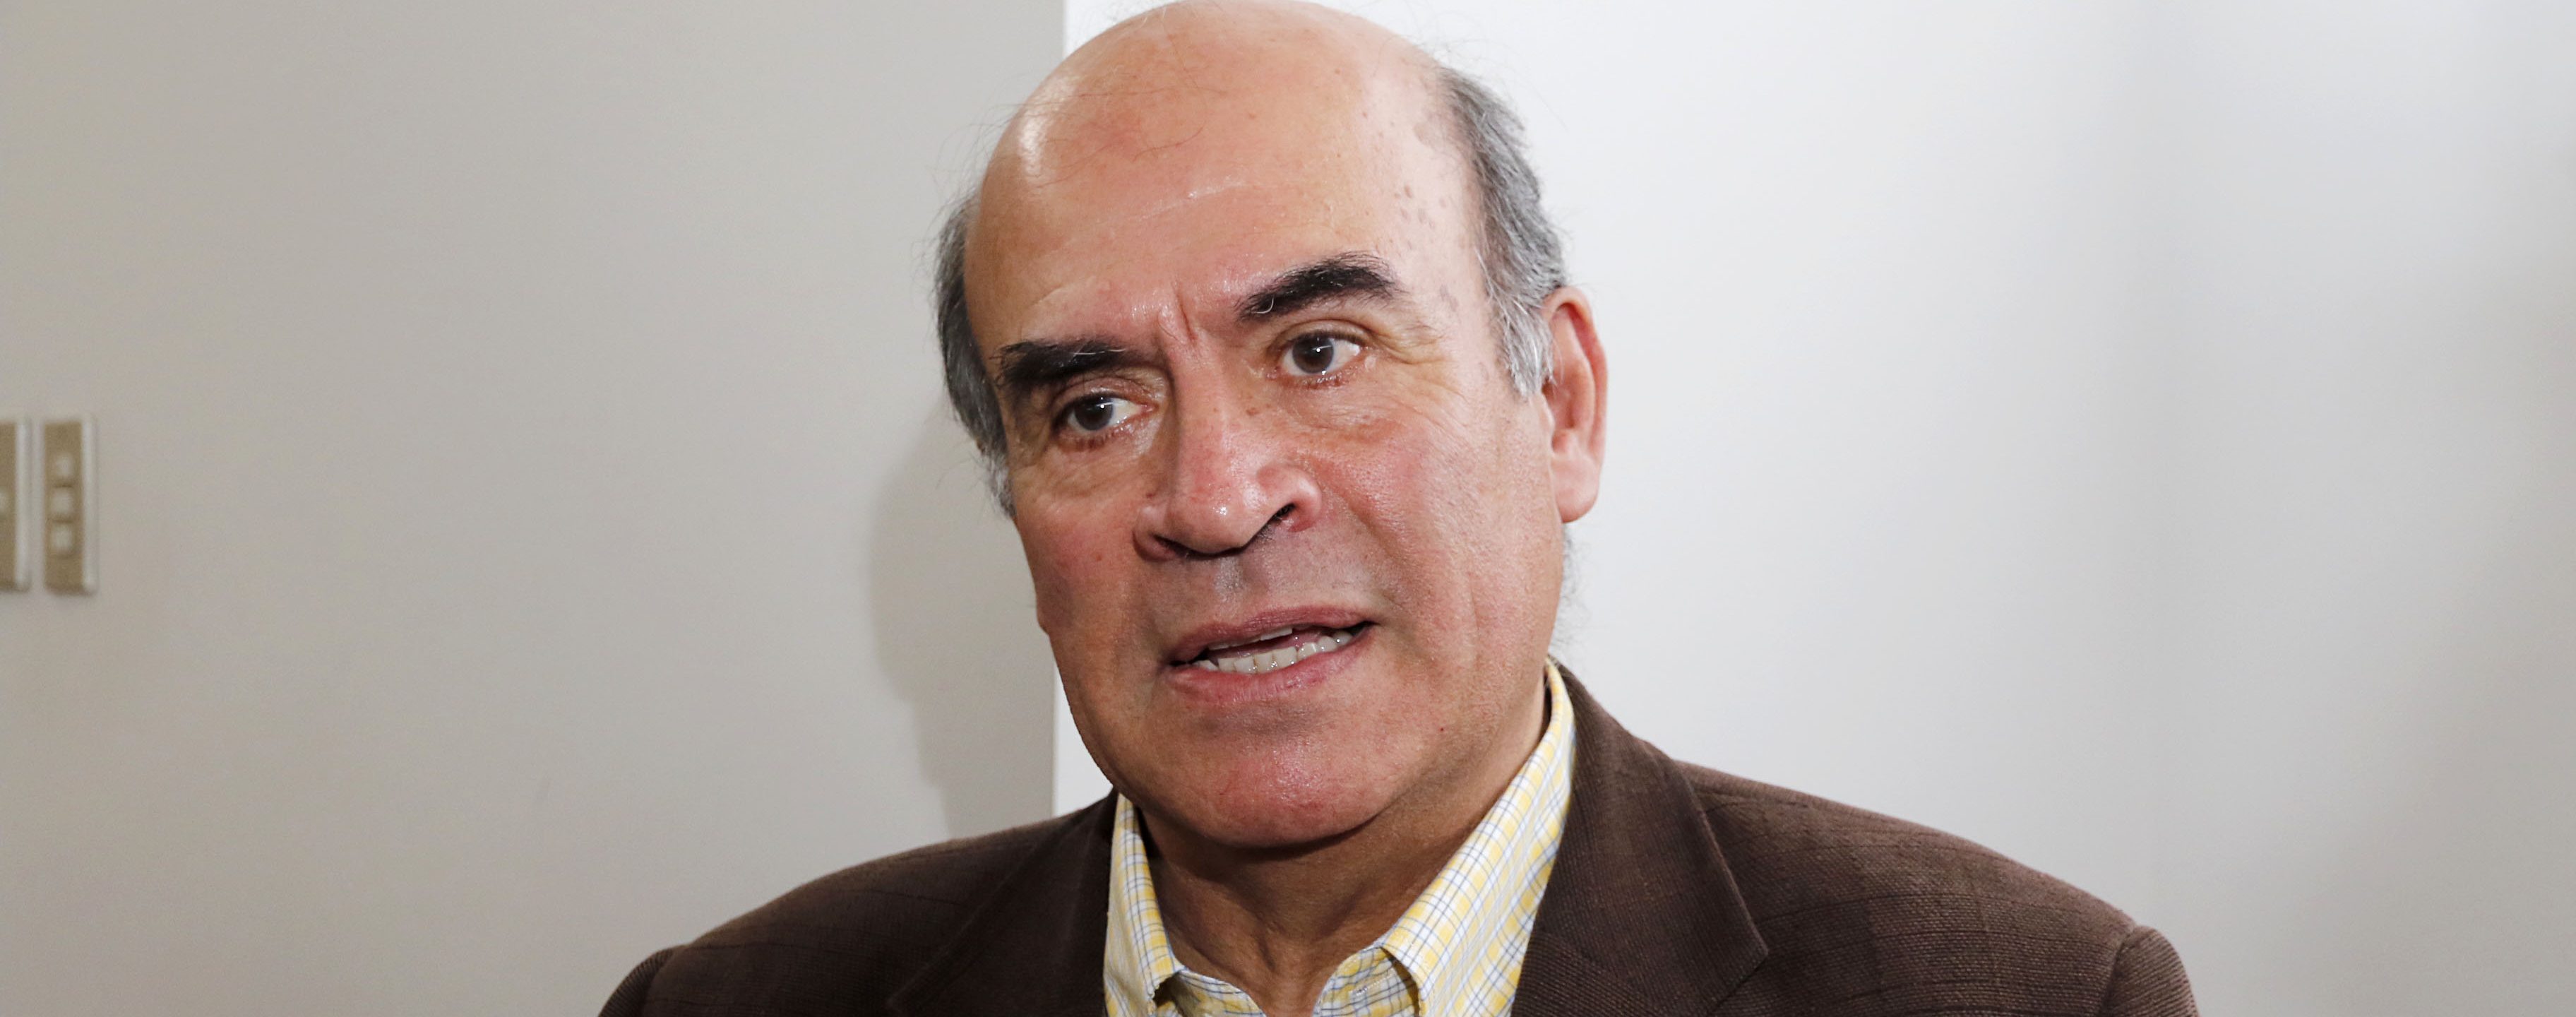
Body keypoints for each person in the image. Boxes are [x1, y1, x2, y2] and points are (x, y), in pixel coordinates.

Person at [602, 2, 2198, 1014]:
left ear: (1559, 404)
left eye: (1320, 351)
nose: (1217, 500)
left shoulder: (2028, 998)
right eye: (1094, 407)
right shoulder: (735, 1005)